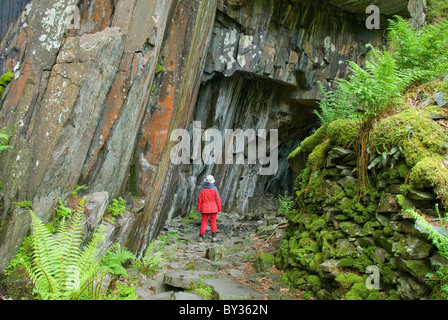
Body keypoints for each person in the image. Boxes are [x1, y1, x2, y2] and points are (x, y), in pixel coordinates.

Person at [197, 175, 221, 242]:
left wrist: (199, 209)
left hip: (204, 208)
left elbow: (199, 200)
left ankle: (200, 237)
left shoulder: (202, 189)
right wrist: (219, 208)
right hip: (213, 208)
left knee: (204, 222)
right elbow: (218, 199)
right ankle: (214, 237)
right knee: (213, 222)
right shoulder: (215, 189)